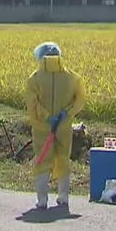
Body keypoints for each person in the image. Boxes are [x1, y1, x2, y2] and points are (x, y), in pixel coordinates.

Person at [26, 42, 84, 210]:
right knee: (63, 159)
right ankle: (63, 197)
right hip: (64, 127)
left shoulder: (35, 78)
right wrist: (67, 112)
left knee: (43, 160)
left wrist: (46, 117)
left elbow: (32, 103)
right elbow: (79, 99)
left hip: (42, 127)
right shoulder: (72, 77)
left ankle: (42, 200)